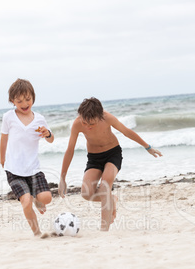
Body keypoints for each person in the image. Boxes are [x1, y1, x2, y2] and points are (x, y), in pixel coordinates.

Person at [58, 97, 162, 231]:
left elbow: (127, 132)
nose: (88, 127)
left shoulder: (107, 117)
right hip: (94, 158)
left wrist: (148, 147)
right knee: (86, 193)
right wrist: (62, 178)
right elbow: (70, 150)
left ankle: (104, 229)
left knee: (105, 186)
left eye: (92, 124)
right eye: (85, 123)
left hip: (113, 154)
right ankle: (111, 199)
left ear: (100, 116)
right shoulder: (77, 123)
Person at [0, 78, 54, 236]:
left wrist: (47, 134)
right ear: (12, 101)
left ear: (33, 97)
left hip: (33, 169)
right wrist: (2, 159)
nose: (24, 103)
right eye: (19, 101)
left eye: (28, 99)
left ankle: (38, 200)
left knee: (46, 198)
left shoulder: (39, 119)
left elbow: (51, 140)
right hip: (14, 169)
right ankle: (37, 233)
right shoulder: (8, 117)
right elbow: (3, 139)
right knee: (25, 201)